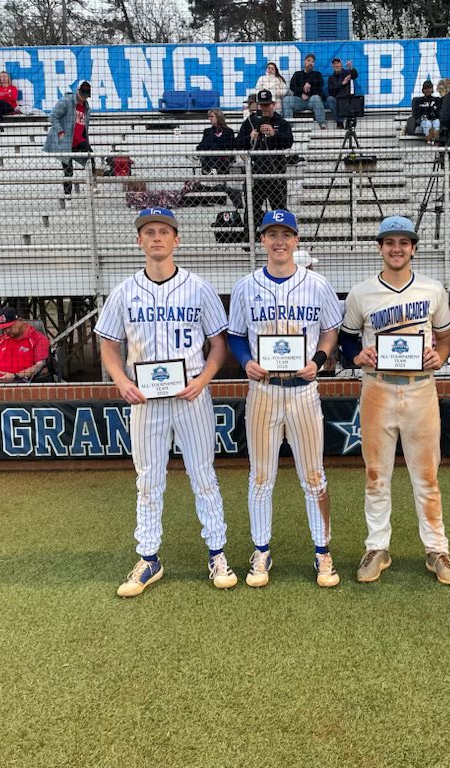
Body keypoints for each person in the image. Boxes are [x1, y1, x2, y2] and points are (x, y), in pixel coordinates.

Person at [95, 207, 237, 598]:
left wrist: (203, 381)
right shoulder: (124, 291)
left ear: (177, 239)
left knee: (203, 476)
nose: (156, 237)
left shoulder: (199, 287)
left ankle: (217, 553)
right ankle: (148, 557)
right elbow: (108, 344)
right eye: (149, 232)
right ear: (139, 240)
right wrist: (121, 381)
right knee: (148, 480)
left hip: (190, 396)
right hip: (145, 400)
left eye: (163, 231)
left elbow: (219, 344)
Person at [339, 215, 450, 585]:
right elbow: (347, 341)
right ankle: (377, 547)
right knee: (376, 474)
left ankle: (437, 549)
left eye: (403, 242)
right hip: (377, 388)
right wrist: (357, 356)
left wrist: (441, 356)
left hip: (421, 387)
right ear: (380, 248)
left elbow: (446, 336)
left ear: (413, 248)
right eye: (389, 242)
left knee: (427, 475)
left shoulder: (432, 289)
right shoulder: (361, 293)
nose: (396, 249)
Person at [227, 209, 343, 589]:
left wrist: (319, 361)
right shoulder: (245, 286)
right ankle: (261, 551)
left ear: (296, 240)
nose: (279, 241)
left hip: (303, 392)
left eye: (286, 234)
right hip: (263, 391)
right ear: (262, 240)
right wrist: (245, 361)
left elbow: (330, 330)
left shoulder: (318, 285)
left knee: (314, 476)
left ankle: (322, 551)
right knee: (261, 477)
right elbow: (235, 335)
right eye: (272, 234)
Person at [236, 89, 294, 232]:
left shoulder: (281, 122)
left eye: (267, 105)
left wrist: (274, 134)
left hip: (276, 172)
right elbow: (237, 143)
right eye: (261, 105)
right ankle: (250, 238)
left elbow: (289, 142)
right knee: (251, 208)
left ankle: (282, 235)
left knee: (279, 209)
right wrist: (250, 137)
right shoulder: (250, 121)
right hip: (255, 173)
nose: (264, 108)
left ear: (273, 104)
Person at [43, 80, 93, 196]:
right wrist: (60, 131)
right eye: (82, 94)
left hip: (79, 141)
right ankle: (67, 196)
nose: (83, 98)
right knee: (68, 171)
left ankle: (93, 186)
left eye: (86, 96)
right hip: (65, 142)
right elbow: (52, 117)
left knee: (92, 160)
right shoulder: (66, 101)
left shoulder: (86, 107)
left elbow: (84, 126)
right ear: (77, 91)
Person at [0, 307, 50, 383]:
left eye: (10, 326)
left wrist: (15, 376)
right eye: (4, 328)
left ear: (20, 321)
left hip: (20, 381)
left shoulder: (38, 339)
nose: (7, 331)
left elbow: (39, 366)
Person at [283, 54, 328, 128]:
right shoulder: (297, 74)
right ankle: (289, 126)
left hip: (312, 101)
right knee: (286, 100)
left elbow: (319, 86)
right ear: (304, 62)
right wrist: (301, 93)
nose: (310, 63)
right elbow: (292, 86)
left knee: (316, 98)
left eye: (312, 62)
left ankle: (322, 124)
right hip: (299, 100)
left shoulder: (317, 74)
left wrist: (309, 83)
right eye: (308, 60)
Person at [196, 108, 236, 175]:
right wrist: (214, 137)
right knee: (213, 148)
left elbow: (230, 146)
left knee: (215, 147)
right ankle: (213, 170)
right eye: (209, 117)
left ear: (218, 117)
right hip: (209, 159)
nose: (210, 119)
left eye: (212, 116)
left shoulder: (228, 131)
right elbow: (201, 147)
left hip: (223, 159)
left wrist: (215, 139)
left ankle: (213, 170)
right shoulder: (207, 131)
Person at [326, 57, 359, 129]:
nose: (336, 65)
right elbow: (331, 91)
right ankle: (340, 122)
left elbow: (355, 75)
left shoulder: (347, 73)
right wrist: (342, 84)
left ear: (341, 64)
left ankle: (346, 121)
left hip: (347, 99)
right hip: (337, 100)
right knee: (330, 99)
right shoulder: (331, 78)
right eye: (334, 64)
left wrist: (350, 68)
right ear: (332, 66)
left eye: (338, 63)